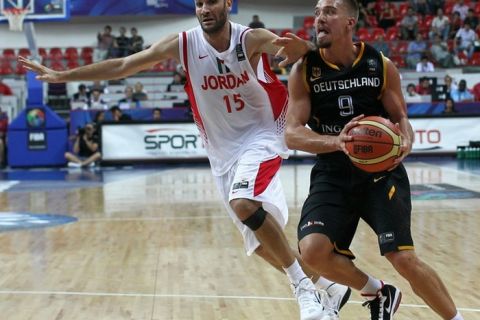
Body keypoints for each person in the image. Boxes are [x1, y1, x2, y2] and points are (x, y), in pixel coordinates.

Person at [19, 1, 351, 319]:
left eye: (211, 2)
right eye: (198, 4)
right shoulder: (183, 44)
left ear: (226, 4)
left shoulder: (250, 39)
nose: (205, 9)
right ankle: (329, 287)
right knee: (261, 245)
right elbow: (122, 66)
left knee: (243, 202)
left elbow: (306, 49)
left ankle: (303, 288)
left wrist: (305, 49)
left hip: (263, 135)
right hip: (222, 152)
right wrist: (63, 76)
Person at [285, 1, 464, 320]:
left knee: (403, 259)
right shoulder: (304, 70)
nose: (319, 18)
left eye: (328, 11)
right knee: (312, 251)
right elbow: (292, 134)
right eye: (316, 12)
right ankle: (378, 291)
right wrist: (336, 142)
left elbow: (401, 117)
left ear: (350, 21)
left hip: (380, 173)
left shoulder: (379, 65)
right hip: (333, 171)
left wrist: (405, 140)